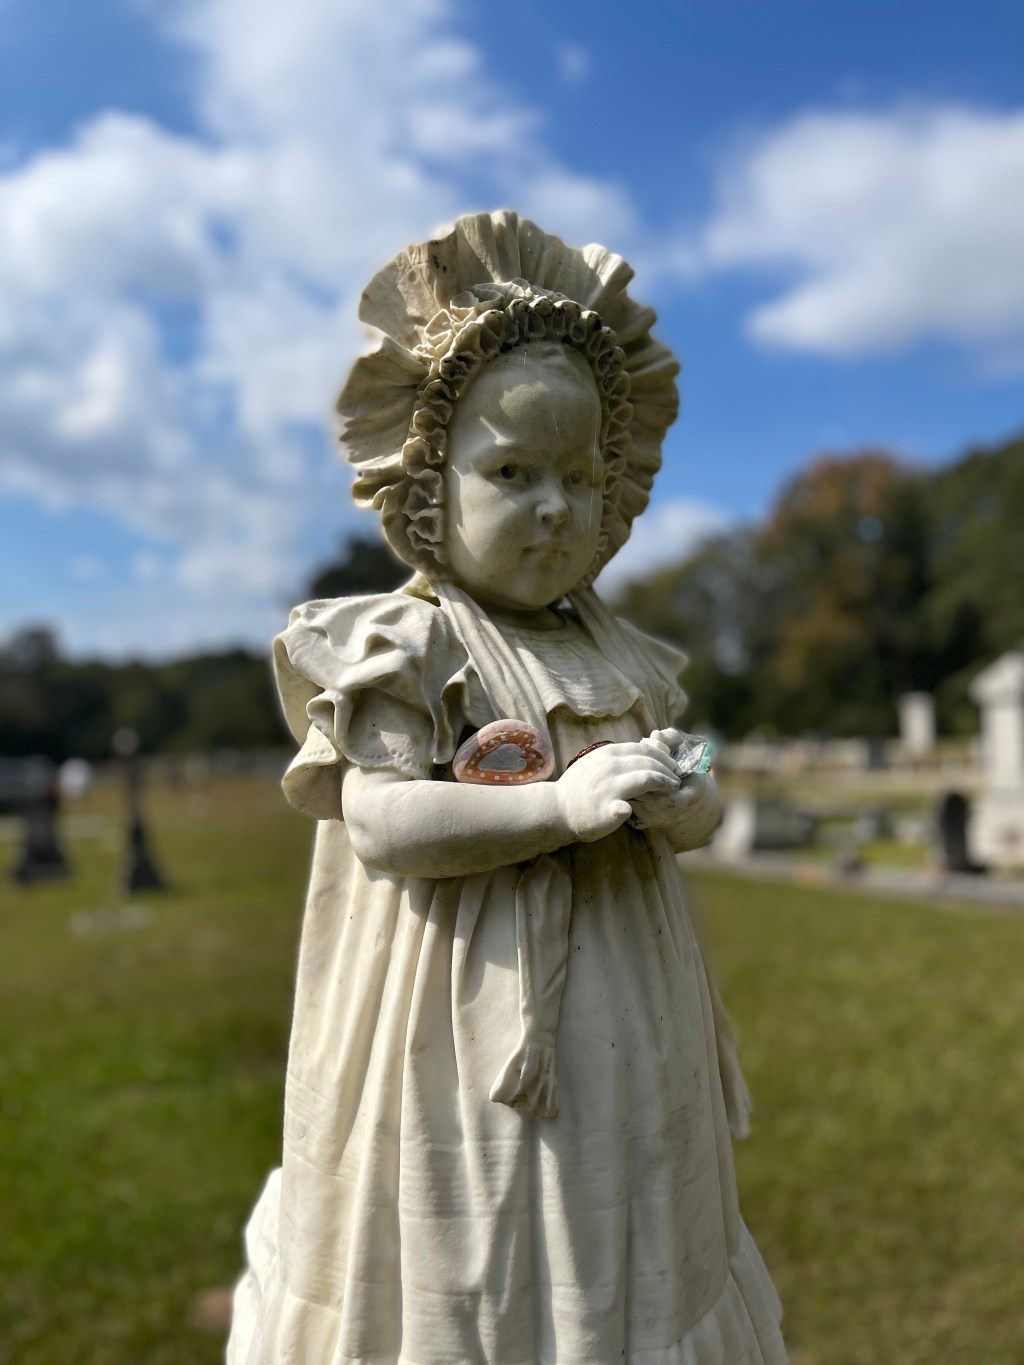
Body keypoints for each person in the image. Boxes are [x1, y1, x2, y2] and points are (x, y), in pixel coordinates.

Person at [228, 211, 787, 1365]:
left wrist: (690, 803)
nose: (553, 506)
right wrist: (554, 808)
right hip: (457, 1029)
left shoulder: (625, 655)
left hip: (632, 1016)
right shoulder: (405, 645)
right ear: (429, 483)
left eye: (579, 477)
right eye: (512, 472)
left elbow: (694, 771)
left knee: (627, 1226)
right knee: (480, 1240)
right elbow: (382, 820)